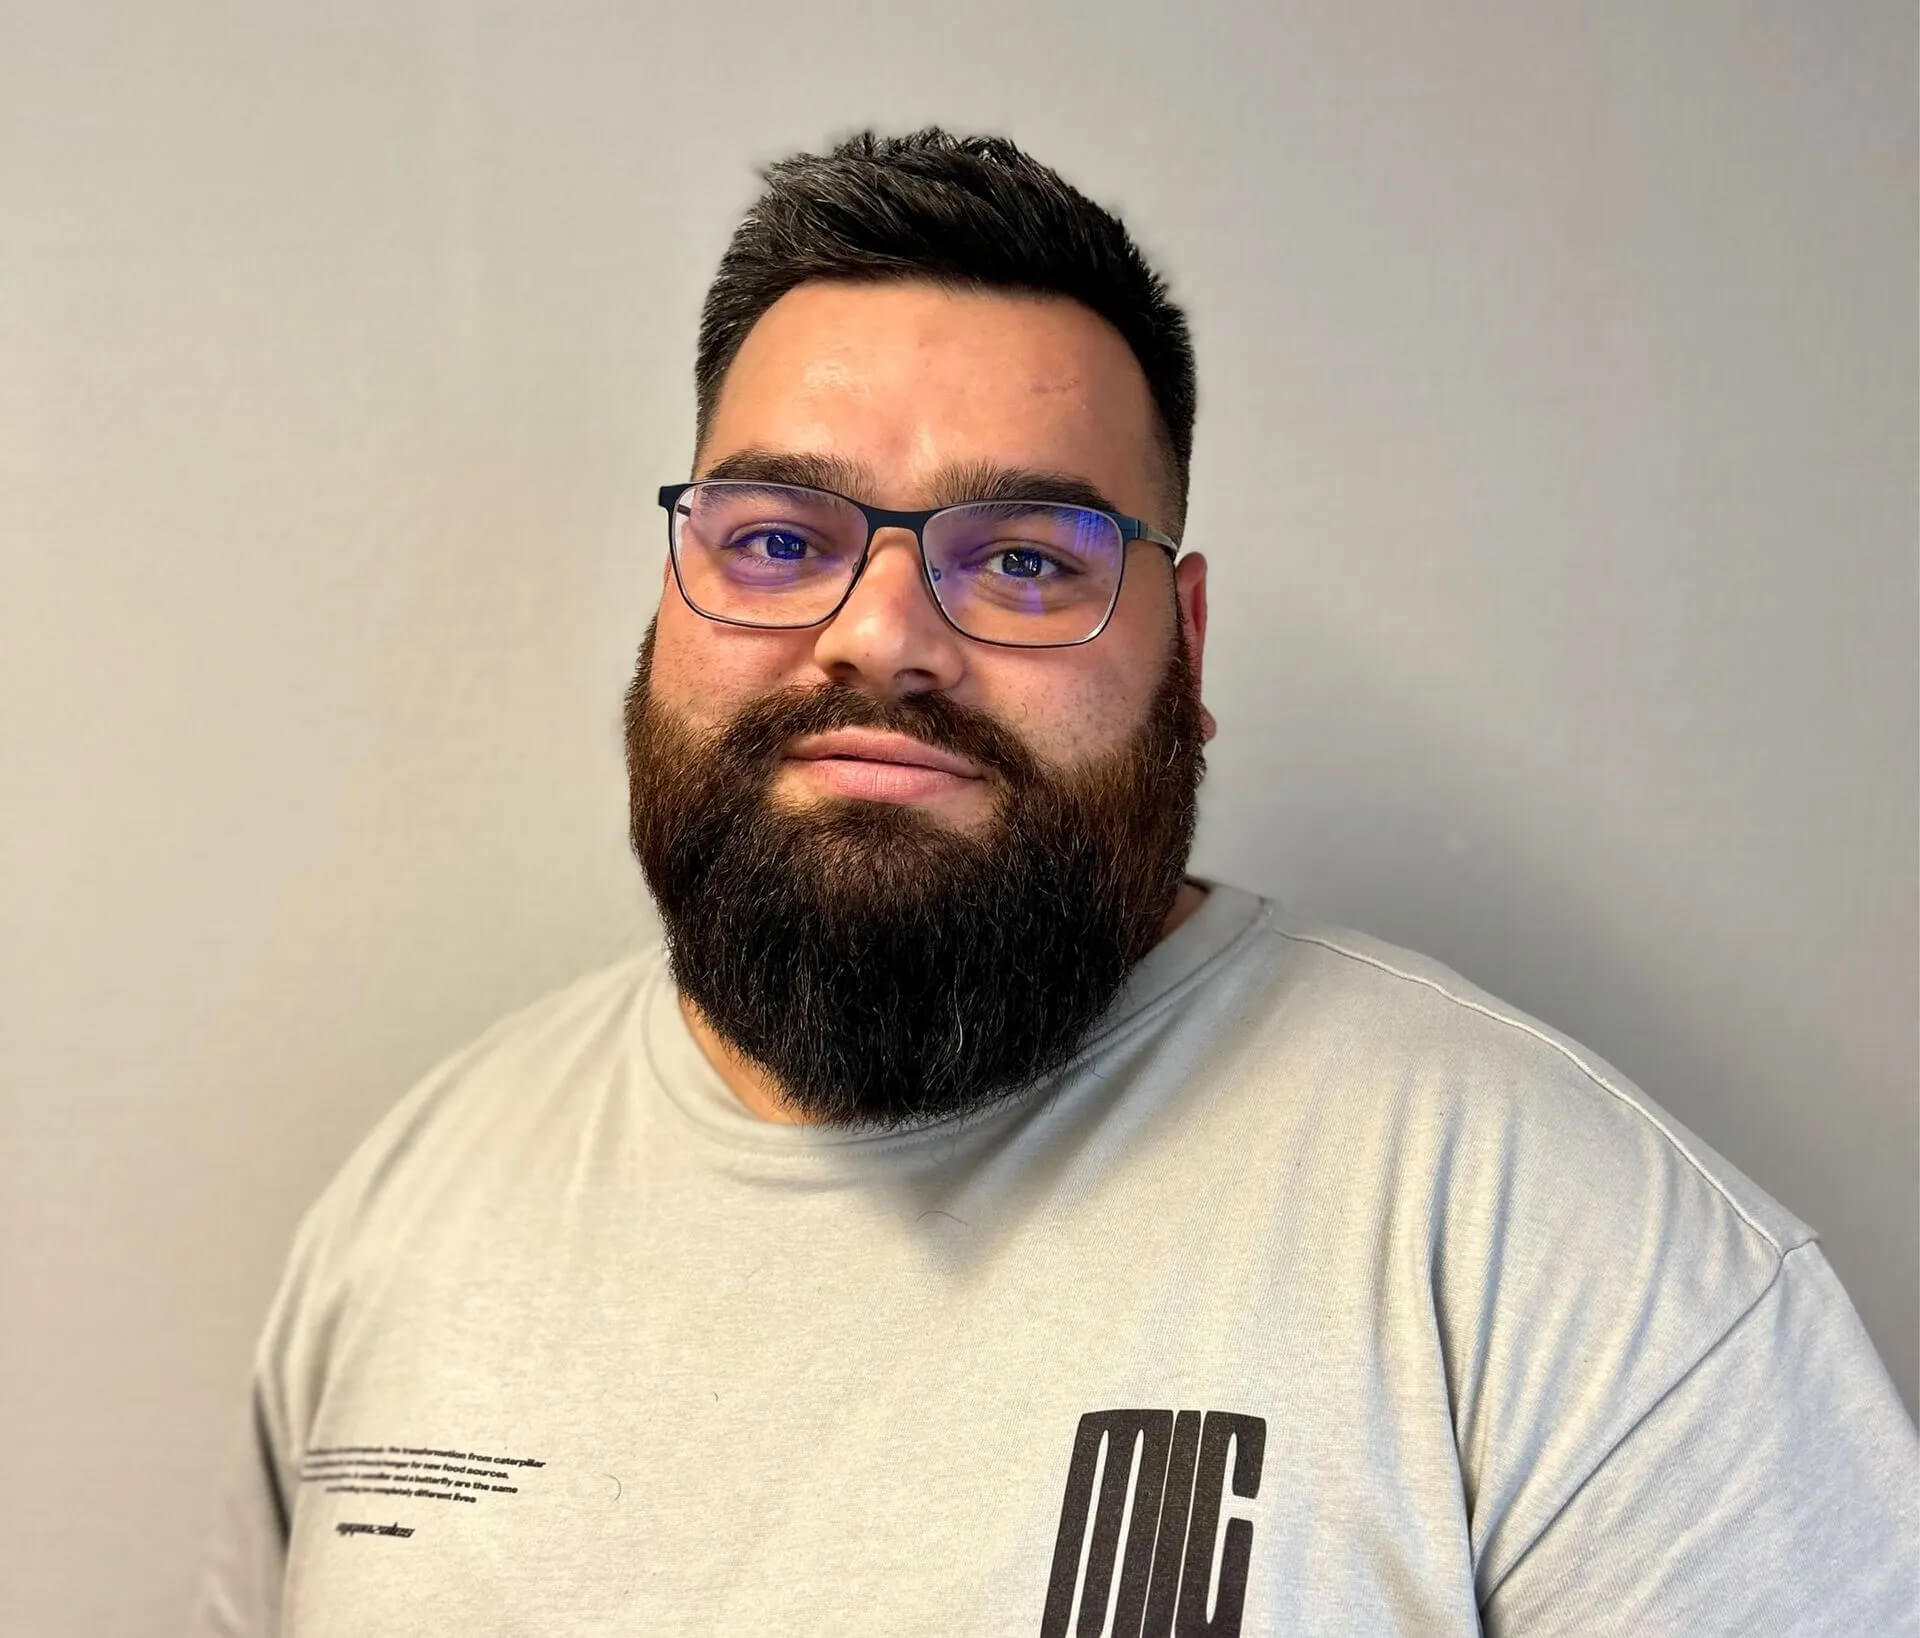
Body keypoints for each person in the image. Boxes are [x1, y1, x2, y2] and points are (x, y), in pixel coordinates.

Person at [195, 129, 1916, 1637]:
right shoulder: (409, 1210)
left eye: (1023, 558)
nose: (880, 634)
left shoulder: (1566, 1255)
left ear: (1186, 644)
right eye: (779, 539)